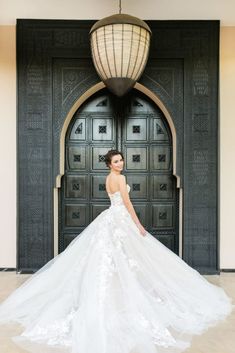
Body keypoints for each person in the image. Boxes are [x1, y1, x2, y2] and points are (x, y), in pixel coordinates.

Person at [0, 149, 234, 353]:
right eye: (116, 161)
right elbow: (127, 203)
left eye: (121, 160)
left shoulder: (107, 178)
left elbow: (115, 200)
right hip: (120, 219)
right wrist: (138, 225)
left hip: (110, 218)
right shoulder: (120, 180)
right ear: (109, 164)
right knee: (124, 259)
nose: (121, 163)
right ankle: (122, 301)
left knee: (111, 260)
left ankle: (117, 296)